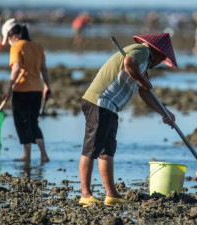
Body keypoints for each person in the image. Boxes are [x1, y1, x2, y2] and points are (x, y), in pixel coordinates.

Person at [79, 33, 178, 207]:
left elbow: (144, 92)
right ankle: (85, 195)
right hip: (100, 101)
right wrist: (141, 80)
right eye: (162, 59)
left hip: (111, 107)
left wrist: (164, 112)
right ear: (159, 53)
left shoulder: (145, 64)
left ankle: (111, 195)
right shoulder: (142, 51)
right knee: (91, 149)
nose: (159, 63)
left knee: (107, 152)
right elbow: (129, 63)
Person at [1, 18, 51, 163]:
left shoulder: (16, 47)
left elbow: (16, 68)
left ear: (14, 36)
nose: (9, 41)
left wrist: (9, 87)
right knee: (33, 122)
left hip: (21, 90)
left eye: (9, 38)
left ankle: (27, 155)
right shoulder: (38, 47)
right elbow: (44, 70)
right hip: (36, 90)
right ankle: (43, 154)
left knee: (21, 122)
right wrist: (47, 86)